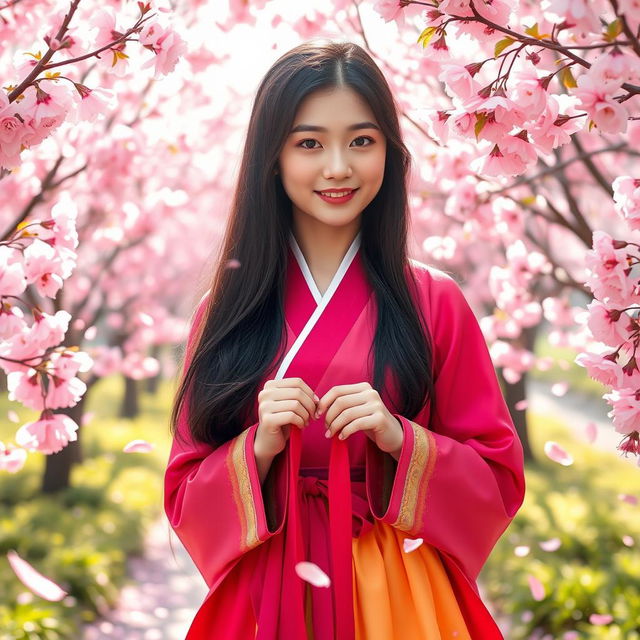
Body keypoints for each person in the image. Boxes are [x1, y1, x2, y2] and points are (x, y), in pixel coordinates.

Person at [164, 39, 526, 640]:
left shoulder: (435, 303)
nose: (338, 167)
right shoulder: (224, 313)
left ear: (390, 150)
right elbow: (182, 491)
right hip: (268, 590)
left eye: (362, 140)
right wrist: (257, 449)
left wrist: (398, 439)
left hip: (396, 589)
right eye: (309, 143)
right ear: (272, 159)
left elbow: (498, 480)